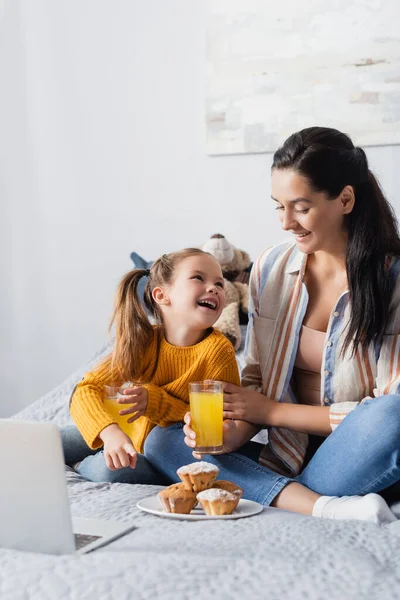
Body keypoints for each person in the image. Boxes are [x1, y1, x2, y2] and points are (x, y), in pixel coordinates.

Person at [144, 126, 400, 524]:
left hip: (357, 452)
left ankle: (278, 492)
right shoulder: (271, 267)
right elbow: (258, 377)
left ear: (345, 199)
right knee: (162, 440)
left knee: (395, 416)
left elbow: (385, 407)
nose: (285, 222)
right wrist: (236, 432)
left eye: (300, 207)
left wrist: (270, 413)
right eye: (278, 206)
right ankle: (318, 504)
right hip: (285, 451)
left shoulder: (393, 280)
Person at [61, 248, 240, 483]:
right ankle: (95, 450)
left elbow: (218, 425)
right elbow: (86, 389)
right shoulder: (143, 341)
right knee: (45, 442)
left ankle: (81, 465)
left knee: (111, 471)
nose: (214, 288)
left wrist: (155, 403)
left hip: (156, 457)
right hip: (121, 431)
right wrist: (110, 432)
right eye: (199, 278)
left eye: (219, 283)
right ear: (161, 295)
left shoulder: (219, 352)